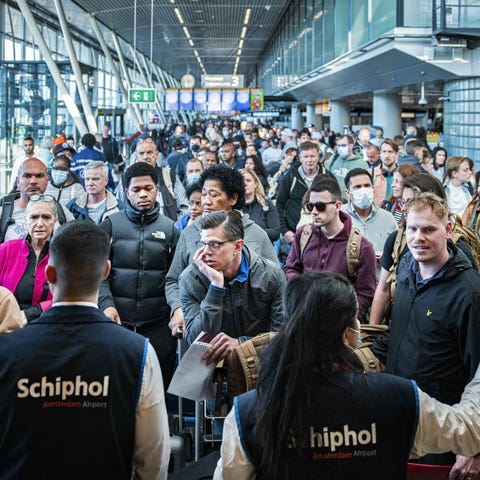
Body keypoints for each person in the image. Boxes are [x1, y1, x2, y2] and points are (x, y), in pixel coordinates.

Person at [213, 271, 480, 480]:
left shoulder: (248, 412)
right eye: (355, 318)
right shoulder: (398, 398)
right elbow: (469, 430)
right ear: (345, 334)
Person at [0, 221, 170, 478]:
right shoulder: (138, 353)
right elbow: (154, 459)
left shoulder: (7, 349)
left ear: (48, 273)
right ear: (106, 272)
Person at [373, 193, 480, 472]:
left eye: (429, 229)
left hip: (442, 434)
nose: (419, 237)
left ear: (448, 230)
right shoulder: (408, 266)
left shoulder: (468, 293)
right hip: (400, 419)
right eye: (412, 229)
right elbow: (401, 333)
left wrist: (474, 448)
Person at [166, 166, 278, 337]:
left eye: (214, 194)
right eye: (204, 194)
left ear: (233, 198)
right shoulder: (189, 233)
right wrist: (178, 308)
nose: (206, 202)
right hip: (205, 330)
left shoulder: (257, 234)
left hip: (251, 334)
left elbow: (273, 283)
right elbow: (174, 280)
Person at [99, 162, 179, 386]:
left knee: (156, 390)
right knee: (117, 387)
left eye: (148, 188)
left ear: (156, 190)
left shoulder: (171, 228)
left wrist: (176, 310)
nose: (142, 194)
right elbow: (98, 274)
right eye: (136, 190)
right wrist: (106, 304)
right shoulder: (111, 225)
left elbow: (176, 277)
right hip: (118, 322)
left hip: (159, 325)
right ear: (126, 193)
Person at [370, 173, 477, 326]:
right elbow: (383, 289)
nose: (405, 208)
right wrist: (372, 331)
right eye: (403, 202)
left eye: (412, 201)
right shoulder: (396, 241)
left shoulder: (458, 252)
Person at [179, 210, 285, 356]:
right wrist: (216, 287)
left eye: (215, 244)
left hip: (262, 363)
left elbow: (282, 335)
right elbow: (197, 340)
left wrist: (243, 344)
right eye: (202, 244)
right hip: (214, 368)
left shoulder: (270, 275)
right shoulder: (190, 279)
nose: (206, 252)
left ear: (237, 246)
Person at [284, 174, 376, 316]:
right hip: (304, 315)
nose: (314, 212)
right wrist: (303, 292)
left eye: (320, 206)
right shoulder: (303, 234)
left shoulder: (362, 247)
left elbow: (366, 294)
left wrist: (343, 314)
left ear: (338, 205)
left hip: (339, 322)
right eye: (310, 206)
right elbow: (290, 268)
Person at [0, 196, 56, 323]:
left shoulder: (64, 255)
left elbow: (69, 296)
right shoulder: (6, 250)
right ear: (25, 220)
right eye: (34, 217)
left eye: (46, 217)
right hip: (7, 323)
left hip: (47, 324)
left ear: (55, 221)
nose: (40, 223)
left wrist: (30, 314)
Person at [0, 158, 73, 243]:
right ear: (18, 181)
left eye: (39, 176)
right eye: (27, 176)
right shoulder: (3, 213)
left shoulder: (61, 212)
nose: (33, 181)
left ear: (47, 180)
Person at [117, 136, 188, 221]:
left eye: (149, 152)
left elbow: (185, 207)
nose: (145, 157)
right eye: (141, 153)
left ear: (156, 154)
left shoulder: (169, 176)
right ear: (136, 156)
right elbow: (118, 208)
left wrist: (174, 228)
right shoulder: (125, 179)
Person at [341, 168, 397, 255]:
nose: (363, 191)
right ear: (348, 192)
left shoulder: (388, 218)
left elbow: (396, 250)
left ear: (373, 188)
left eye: (367, 186)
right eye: (357, 187)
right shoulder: (338, 216)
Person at [276, 141, 322, 245]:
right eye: (306, 156)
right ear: (300, 157)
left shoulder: (326, 176)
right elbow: (279, 204)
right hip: (295, 234)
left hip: (321, 235)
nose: (309, 160)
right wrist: (284, 230)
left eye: (312, 156)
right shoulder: (291, 176)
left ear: (318, 156)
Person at [240, 169, 280, 242]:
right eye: (241, 181)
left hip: (262, 250)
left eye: (248, 180)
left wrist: (252, 233)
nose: (245, 184)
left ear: (256, 184)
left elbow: (275, 232)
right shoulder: (233, 207)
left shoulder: (267, 205)